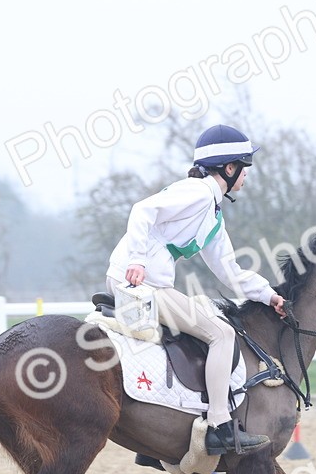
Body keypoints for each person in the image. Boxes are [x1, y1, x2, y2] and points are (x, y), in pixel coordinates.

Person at [106, 124, 287, 455]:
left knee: (191, 332)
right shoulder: (198, 192)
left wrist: (268, 295)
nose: (247, 174)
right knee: (221, 334)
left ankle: (154, 437)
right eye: (244, 166)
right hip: (141, 284)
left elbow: (229, 271)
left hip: (144, 282)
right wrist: (137, 261)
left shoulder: (212, 215)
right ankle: (219, 425)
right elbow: (141, 210)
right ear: (229, 168)